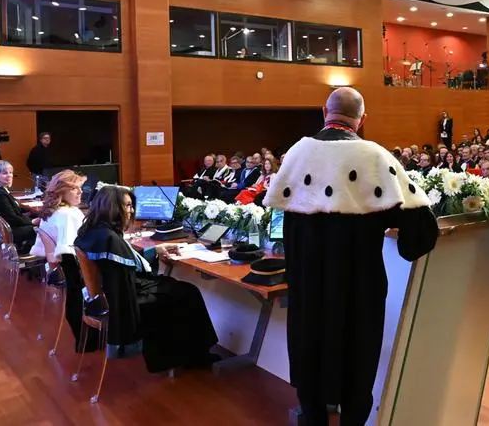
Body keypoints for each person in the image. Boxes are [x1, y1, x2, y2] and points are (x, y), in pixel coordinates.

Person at [263, 87, 439, 426]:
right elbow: (420, 227)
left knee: (309, 357)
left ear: (323, 112)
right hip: (359, 289)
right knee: (357, 363)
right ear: (363, 119)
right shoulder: (374, 156)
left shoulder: (297, 153)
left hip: (307, 286)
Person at [74, 186, 220, 372]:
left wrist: (154, 251)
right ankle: (194, 356)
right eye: (127, 206)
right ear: (112, 207)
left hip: (104, 298)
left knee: (178, 289)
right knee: (186, 293)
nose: (132, 210)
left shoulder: (94, 231)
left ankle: (186, 355)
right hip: (123, 302)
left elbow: (125, 264)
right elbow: (126, 280)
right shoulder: (110, 239)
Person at [29, 170, 91, 351]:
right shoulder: (68, 215)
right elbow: (76, 251)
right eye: (75, 189)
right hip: (76, 273)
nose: (80, 192)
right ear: (61, 192)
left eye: (81, 188)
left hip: (64, 272)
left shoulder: (54, 211)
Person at [0, 160, 37, 255]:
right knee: (43, 229)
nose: (9, 175)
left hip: (7, 230)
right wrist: (32, 221)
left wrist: (31, 212)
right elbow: (12, 218)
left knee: (39, 221)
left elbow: (15, 209)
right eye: (4, 173)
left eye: (10, 172)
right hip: (10, 232)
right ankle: (28, 254)